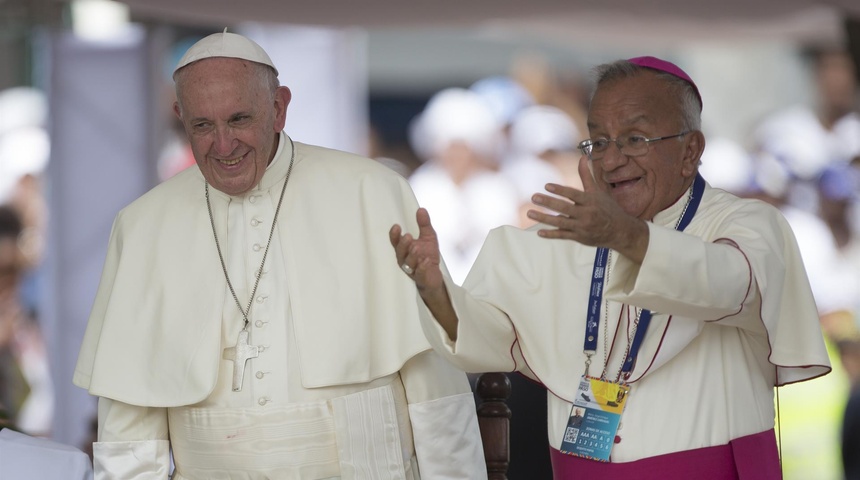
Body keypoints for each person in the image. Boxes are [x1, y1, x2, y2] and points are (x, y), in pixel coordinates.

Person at [390, 56, 832, 478]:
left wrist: (626, 236)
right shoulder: (564, 236)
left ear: (689, 150)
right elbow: (486, 335)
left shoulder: (742, 223)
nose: (612, 158)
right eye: (598, 141)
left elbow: (730, 284)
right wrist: (435, 288)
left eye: (635, 139)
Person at [73, 31, 485, 479]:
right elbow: (130, 429)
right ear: (179, 117)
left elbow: (436, 392)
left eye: (239, 119)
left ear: (279, 108)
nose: (224, 145)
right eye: (203, 126)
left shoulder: (373, 193)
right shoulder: (142, 227)